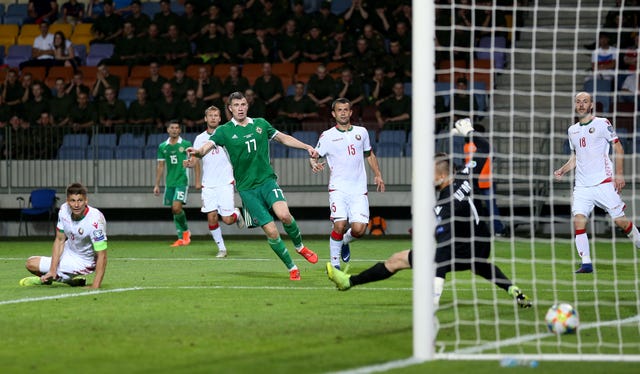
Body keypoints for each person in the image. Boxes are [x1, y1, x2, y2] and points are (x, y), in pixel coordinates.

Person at [326, 152, 532, 310]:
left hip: (457, 247)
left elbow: (442, 236)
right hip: (480, 245)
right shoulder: (466, 175)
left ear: (441, 175)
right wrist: (469, 132)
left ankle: (350, 282)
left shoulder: (444, 203)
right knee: (478, 265)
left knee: (415, 259)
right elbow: (483, 149)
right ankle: (514, 290)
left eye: (431, 175)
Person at [187, 91, 319, 281]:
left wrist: (307, 147)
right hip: (247, 190)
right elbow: (206, 148)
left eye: (243, 104)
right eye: (236, 105)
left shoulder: (260, 124)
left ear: (247, 106)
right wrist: (197, 152)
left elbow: (282, 137)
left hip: (267, 181)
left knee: (285, 215)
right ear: (230, 109)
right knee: (272, 231)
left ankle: (300, 247)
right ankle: (292, 267)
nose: (240, 108)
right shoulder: (224, 131)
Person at [554, 92, 640, 273]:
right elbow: (576, 157)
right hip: (582, 186)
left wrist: (619, 174)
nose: (581, 104)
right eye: (578, 102)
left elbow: (618, 147)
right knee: (579, 220)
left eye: (585, 101)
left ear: (591, 105)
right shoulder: (572, 130)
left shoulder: (602, 123)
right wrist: (563, 169)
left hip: (603, 182)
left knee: (621, 222)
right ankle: (586, 263)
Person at [310, 98, 384, 270]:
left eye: (346, 109)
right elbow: (314, 155)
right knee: (340, 224)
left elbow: (369, 154)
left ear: (351, 112)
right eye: (339, 110)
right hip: (338, 189)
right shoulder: (327, 136)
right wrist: (314, 163)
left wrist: (378, 175)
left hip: (359, 190)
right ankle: (334, 265)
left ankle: (344, 241)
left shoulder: (362, 132)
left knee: (359, 230)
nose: (343, 113)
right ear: (333, 114)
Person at [19, 182, 108, 289]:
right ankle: (69, 280)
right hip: (68, 251)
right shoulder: (63, 210)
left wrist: (95, 285)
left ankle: (48, 279)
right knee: (30, 263)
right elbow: (59, 240)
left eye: (80, 200)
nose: (76, 205)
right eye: (72, 201)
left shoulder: (95, 221)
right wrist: (52, 269)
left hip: (84, 261)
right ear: (67, 201)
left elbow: (102, 255)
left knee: (58, 273)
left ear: (86, 201)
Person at [183, 106, 245, 258]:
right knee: (211, 216)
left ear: (219, 118)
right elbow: (195, 160)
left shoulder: (227, 134)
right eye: (210, 115)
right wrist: (189, 164)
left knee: (228, 220)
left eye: (216, 115)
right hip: (208, 184)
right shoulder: (199, 139)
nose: (213, 118)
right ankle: (222, 249)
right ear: (205, 118)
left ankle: (236, 213)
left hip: (225, 182)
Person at [153, 121, 193, 247]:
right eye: (172, 128)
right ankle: (181, 237)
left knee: (176, 207)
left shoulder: (186, 144)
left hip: (182, 181)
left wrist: (190, 163)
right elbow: (160, 166)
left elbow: (193, 160)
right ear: (168, 130)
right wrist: (157, 184)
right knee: (175, 210)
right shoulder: (163, 146)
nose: (174, 130)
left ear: (180, 130)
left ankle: (185, 233)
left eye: (177, 128)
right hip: (170, 182)